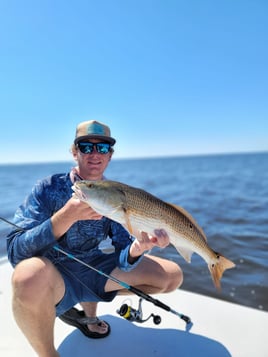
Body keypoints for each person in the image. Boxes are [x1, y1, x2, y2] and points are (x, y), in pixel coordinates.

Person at [6, 120, 183, 357]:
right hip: (53, 274)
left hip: (92, 269)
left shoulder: (116, 194)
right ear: (74, 152)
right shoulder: (47, 188)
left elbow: (122, 255)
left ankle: (86, 314)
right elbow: (15, 251)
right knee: (26, 276)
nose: (94, 154)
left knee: (171, 276)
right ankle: (48, 351)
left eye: (102, 148)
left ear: (110, 155)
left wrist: (137, 248)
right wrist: (64, 218)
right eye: (86, 147)